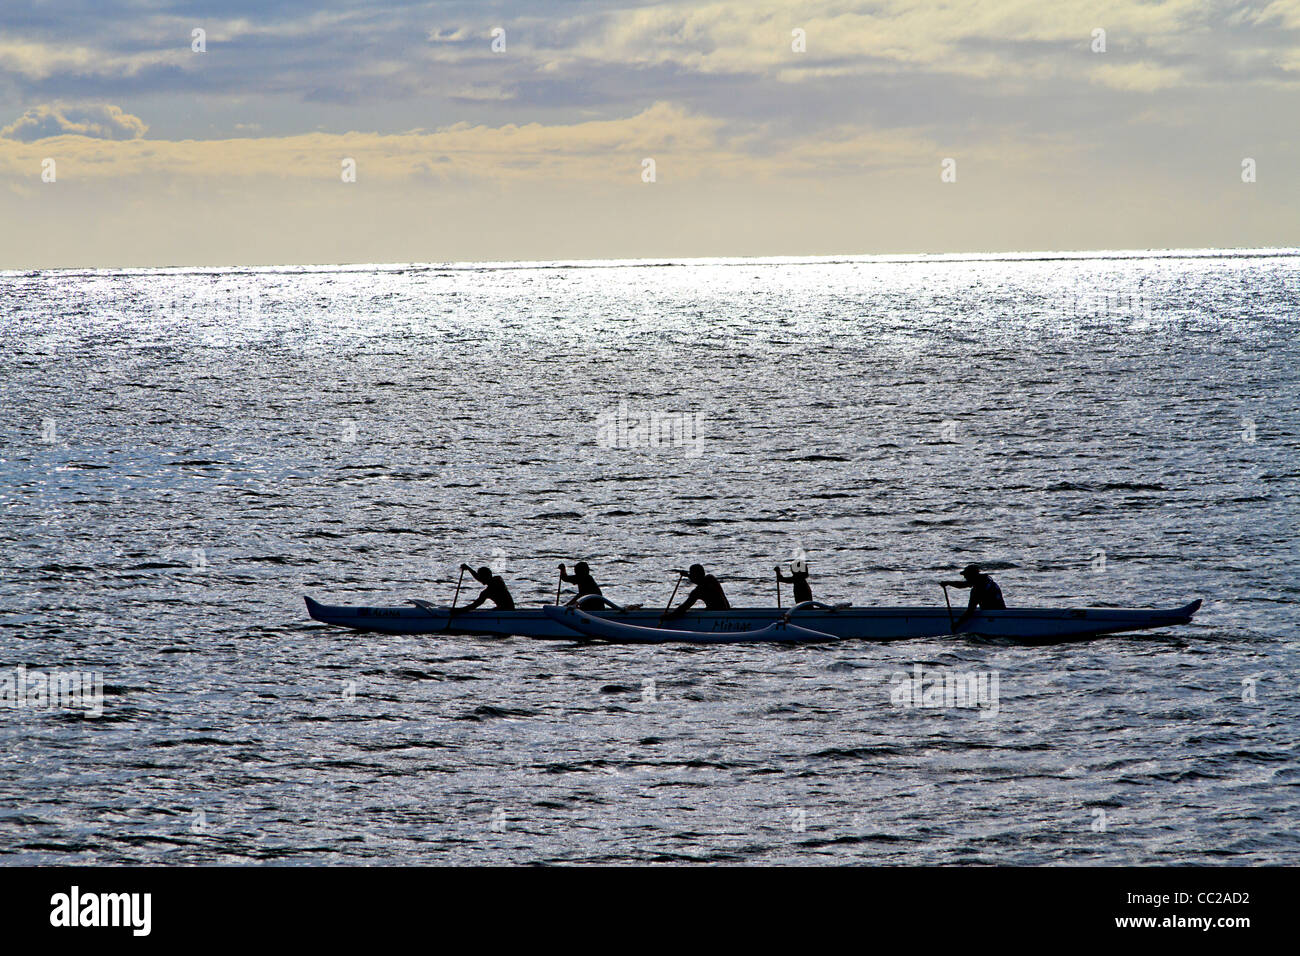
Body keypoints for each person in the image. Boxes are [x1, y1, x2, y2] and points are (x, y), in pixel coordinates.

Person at [941, 564, 1005, 631]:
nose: (965, 578)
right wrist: (948, 583)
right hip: (1000, 611)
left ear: (972, 576)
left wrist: (957, 624)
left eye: (966, 576)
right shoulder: (986, 581)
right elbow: (963, 585)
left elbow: (970, 610)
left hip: (992, 614)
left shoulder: (978, 589)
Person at [663, 563, 730, 618]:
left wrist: (668, 617)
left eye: (692, 574)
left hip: (717, 615)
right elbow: (699, 579)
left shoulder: (698, 591)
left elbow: (684, 607)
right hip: (726, 611)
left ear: (695, 576)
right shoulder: (711, 578)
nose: (690, 578)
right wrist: (687, 575)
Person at [449, 564, 515, 615]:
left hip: (507, 612)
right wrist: (469, 568)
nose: (479, 579)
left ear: (485, 577)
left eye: (481, 577)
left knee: (490, 612)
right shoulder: (498, 579)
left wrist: (458, 611)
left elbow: (474, 606)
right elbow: (479, 577)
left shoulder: (488, 591)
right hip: (508, 609)